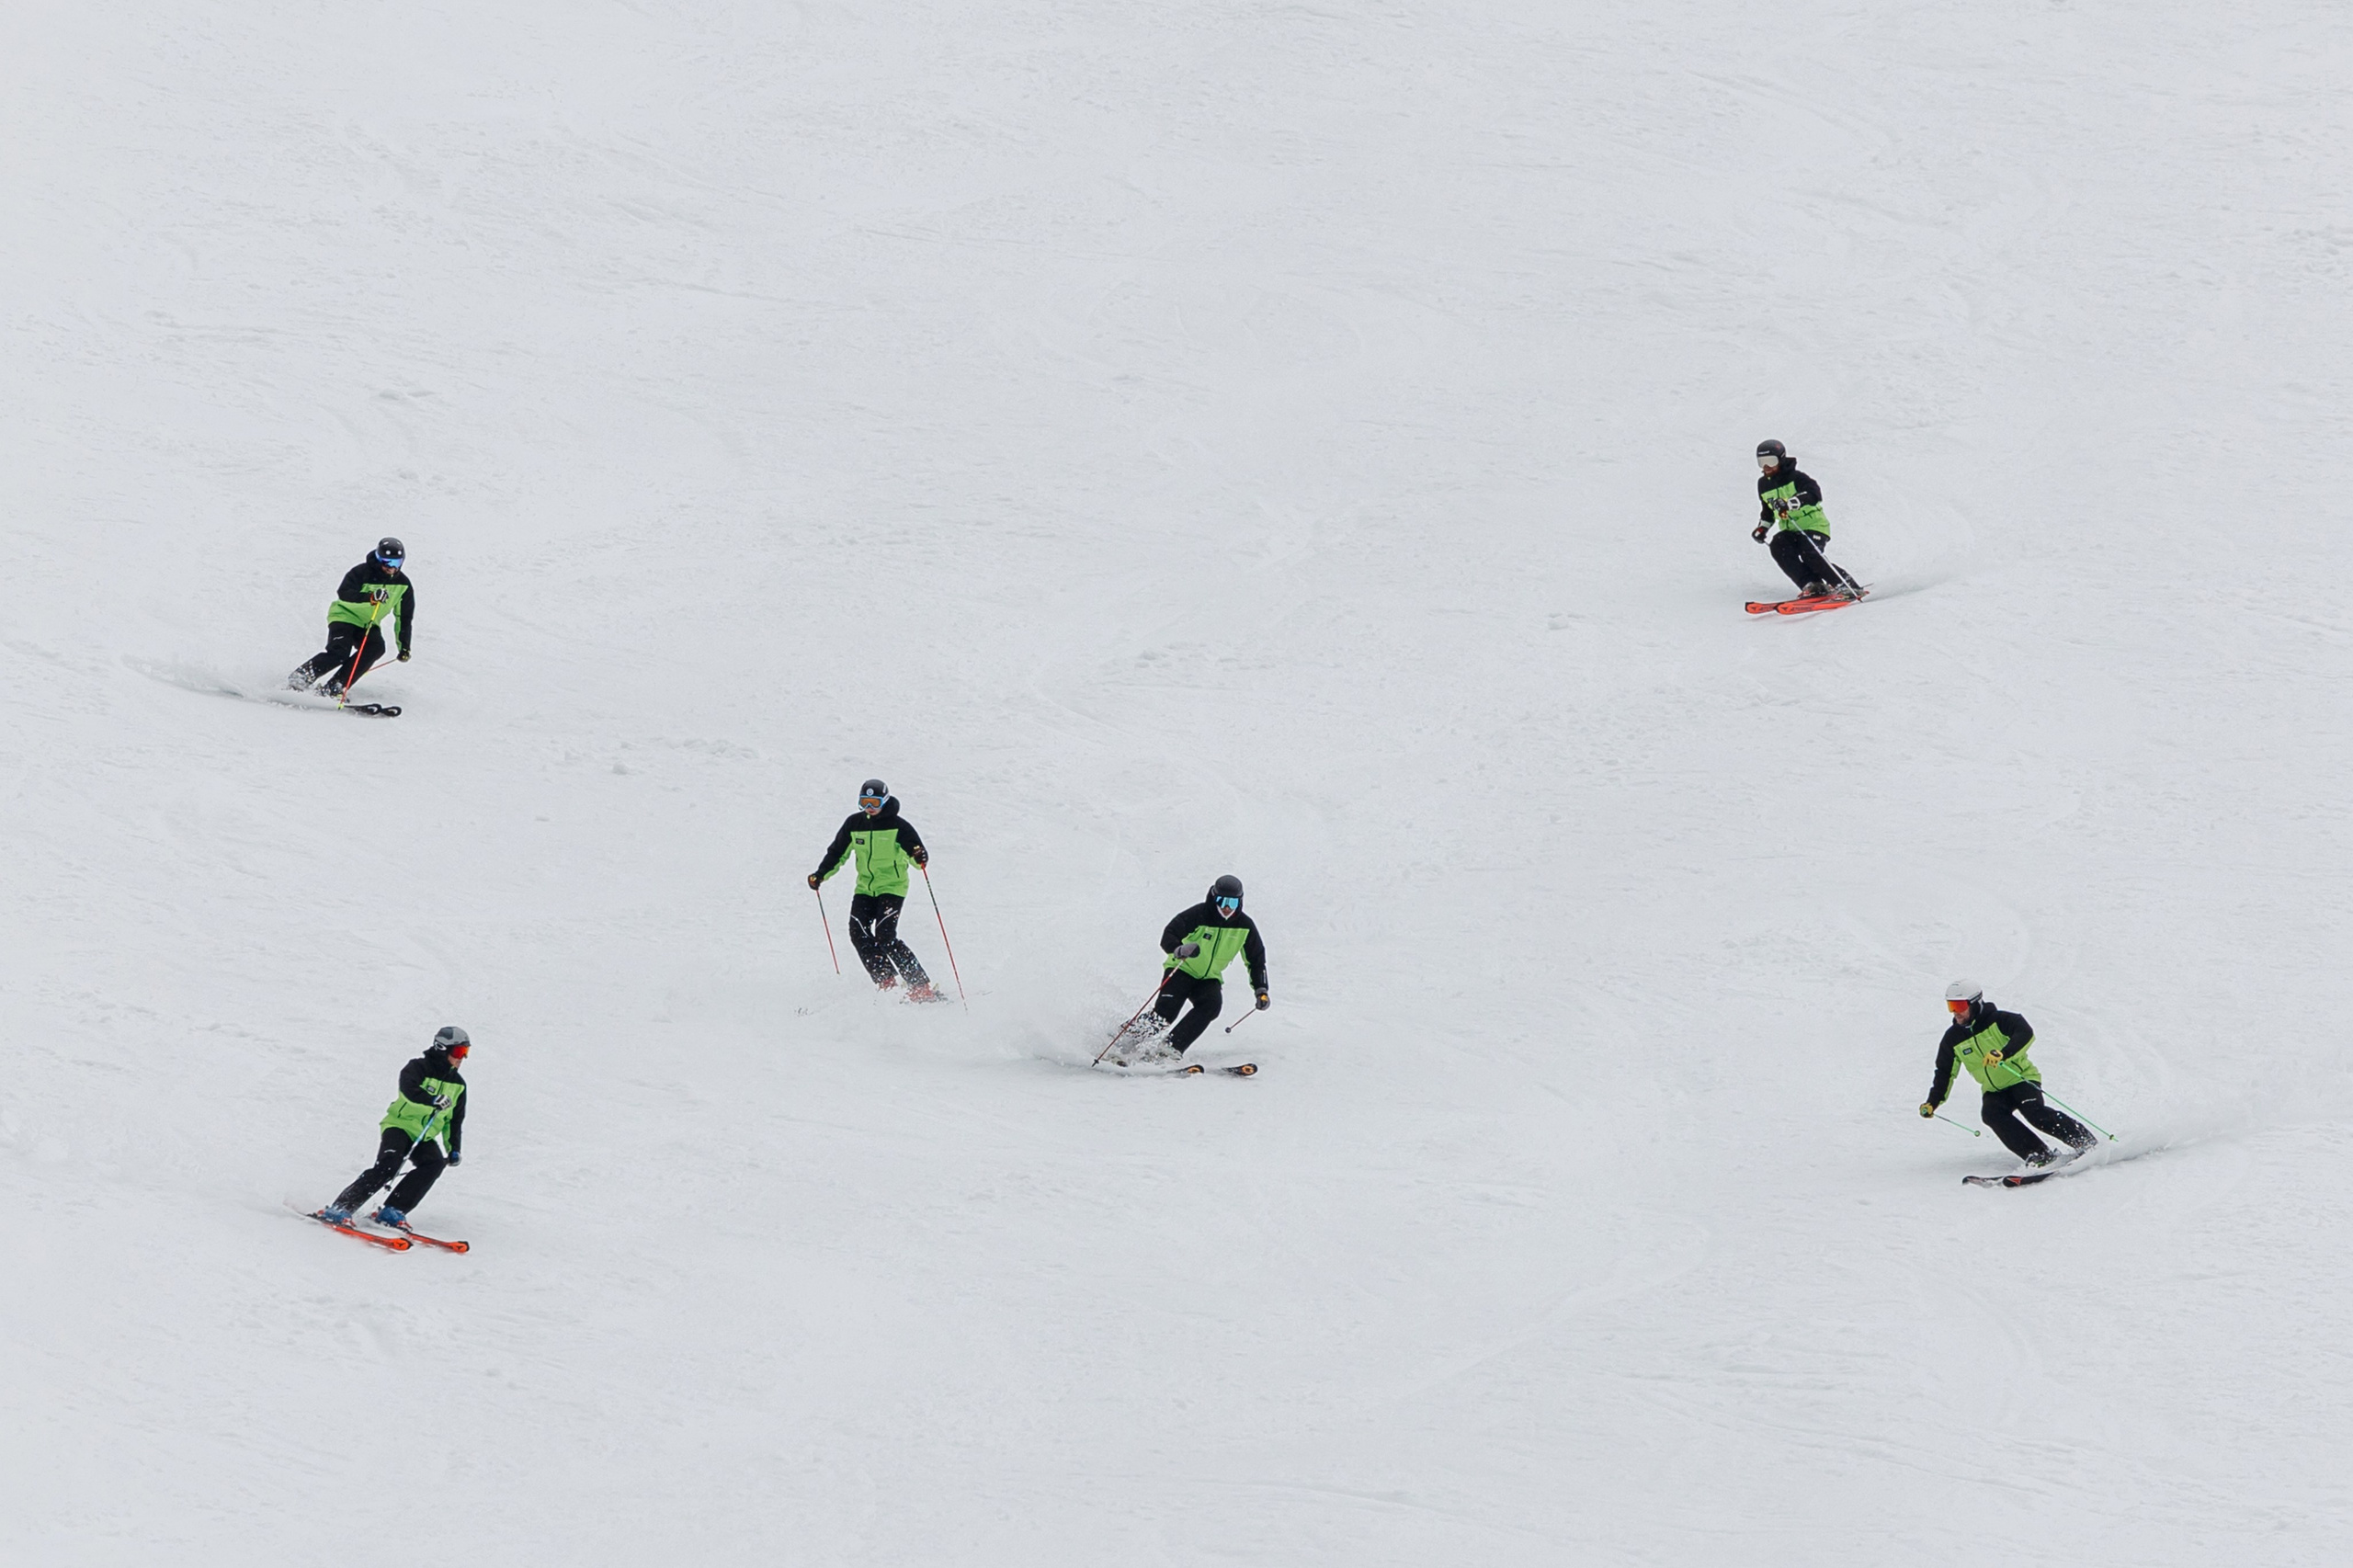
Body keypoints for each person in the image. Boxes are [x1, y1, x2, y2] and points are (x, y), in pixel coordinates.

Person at [1918, 983, 2095, 1168]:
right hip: (1994, 1089)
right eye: (1951, 1006)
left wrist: (2004, 1053)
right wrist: (1933, 1102)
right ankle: (2039, 1155)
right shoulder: (1952, 1038)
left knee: (2035, 1113)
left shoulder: (1999, 1020)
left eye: (1960, 1006)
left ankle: (2085, 1142)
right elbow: (1945, 1072)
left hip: (2020, 1079)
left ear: (1975, 1004)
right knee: (1991, 1114)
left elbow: (2025, 1033)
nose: (1955, 1012)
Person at [317, 1027, 471, 1227]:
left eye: (466, 1053)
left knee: (434, 1164)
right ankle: (341, 1208)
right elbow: (409, 1090)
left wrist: (454, 1149)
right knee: (389, 1165)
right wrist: (432, 1099)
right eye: (459, 1052)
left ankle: (393, 1210)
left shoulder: (459, 1084)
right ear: (442, 1048)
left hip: (424, 1136)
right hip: (399, 1126)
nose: (462, 1058)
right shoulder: (418, 1067)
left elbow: (454, 1120)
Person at [810, 779, 939, 999]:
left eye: (875, 802)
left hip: (892, 887)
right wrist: (821, 874)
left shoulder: (899, 826)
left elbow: (918, 860)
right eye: (864, 802)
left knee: (885, 935)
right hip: (865, 889)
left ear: (885, 801)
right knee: (857, 932)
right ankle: (886, 980)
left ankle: (920, 986)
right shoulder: (854, 824)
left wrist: (920, 856)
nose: (870, 807)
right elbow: (837, 853)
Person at [1143, 874, 1269, 1058]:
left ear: (1240, 902)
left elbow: (1256, 959)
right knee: (1165, 1013)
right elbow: (1169, 934)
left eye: (1232, 903)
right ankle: (1126, 1041)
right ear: (1214, 896)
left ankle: (1169, 1050)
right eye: (1222, 901)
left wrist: (1261, 989)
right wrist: (1179, 950)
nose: (1226, 908)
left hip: (1209, 977)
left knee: (1211, 1005)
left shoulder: (1245, 926)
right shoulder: (1198, 915)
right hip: (1182, 969)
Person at [288, 538, 415, 697]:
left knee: (376, 648)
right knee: (340, 652)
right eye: (386, 562)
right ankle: (301, 677)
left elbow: (404, 617)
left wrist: (404, 646)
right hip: (344, 616)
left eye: (395, 564)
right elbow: (344, 593)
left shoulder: (403, 585)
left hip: (368, 624)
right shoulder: (362, 572)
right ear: (377, 558)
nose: (390, 568)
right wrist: (370, 597)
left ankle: (336, 687)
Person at [1751, 441, 1859, 600]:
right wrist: (1762, 528)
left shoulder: (1797, 478)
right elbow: (1768, 512)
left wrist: (1791, 503)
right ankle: (1813, 584)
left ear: (1781, 460)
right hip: (1791, 530)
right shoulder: (1763, 484)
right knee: (1778, 545)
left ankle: (1845, 584)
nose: (1766, 466)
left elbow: (1814, 494)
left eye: (1771, 461)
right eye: (1761, 462)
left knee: (1810, 553)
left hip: (1813, 526)